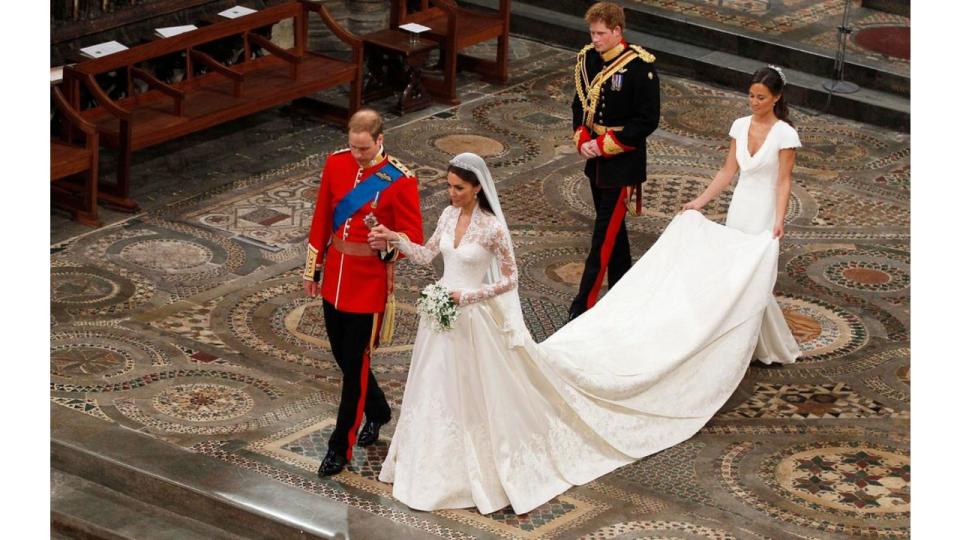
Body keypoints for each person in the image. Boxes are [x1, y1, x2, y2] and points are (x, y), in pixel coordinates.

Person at [369, 139, 794, 514]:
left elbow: (510, 279)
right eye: (449, 186)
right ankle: (426, 466)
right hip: (440, 319)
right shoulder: (446, 215)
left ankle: (475, 468)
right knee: (434, 390)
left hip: (472, 319)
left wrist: (469, 296)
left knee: (474, 393)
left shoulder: (493, 228)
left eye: (458, 188)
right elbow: (426, 257)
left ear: (477, 187)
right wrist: (395, 239)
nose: (451, 193)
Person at [303, 108, 423, 477]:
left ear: (380, 140)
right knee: (343, 356)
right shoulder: (335, 164)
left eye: (364, 148)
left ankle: (340, 446)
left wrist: (387, 243)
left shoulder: (399, 181)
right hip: (336, 274)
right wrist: (314, 268)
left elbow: (412, 239)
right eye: (353, 147)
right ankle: (379, 410)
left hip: (368, 284)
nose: (357, 155)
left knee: (354, 367)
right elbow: (323, 215)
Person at [682, 65, 801, 364]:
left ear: (776, 98)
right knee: (735, 274)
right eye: (751, 96)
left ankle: (749, 345)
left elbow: (784, 180)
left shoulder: (785, 135)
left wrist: (779, 219)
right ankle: (740, 343)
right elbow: (727, 171)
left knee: (753, 276)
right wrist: (700, 201)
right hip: (741, 206)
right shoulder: (739, 125)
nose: (754, 102)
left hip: (764, 210)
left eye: (761, 97)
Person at [568, 1, 661, 321]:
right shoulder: (589, 59)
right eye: (592, 33)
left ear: (618, 31)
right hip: (595, 159)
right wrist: (582, 138)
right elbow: (579, 103)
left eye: (601, 33)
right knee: (615, 236)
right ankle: (625, 293)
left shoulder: (639, 67)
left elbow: (647, 120)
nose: (595, 39)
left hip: (622, 161)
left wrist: (604, 145)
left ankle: (582, 308)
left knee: (602, 237)